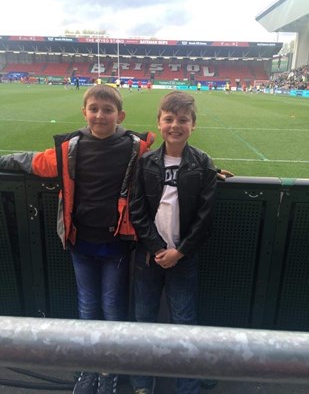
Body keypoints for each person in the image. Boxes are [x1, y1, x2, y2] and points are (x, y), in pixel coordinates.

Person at [0, 84, 154, 394]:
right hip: (80, 242)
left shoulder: (136, 149)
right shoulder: (70, 148)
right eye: (94, 109)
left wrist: (207, 170)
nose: (100, 115)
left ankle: (108, 372)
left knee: (111, 308)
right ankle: (88, 370)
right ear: (84, 112)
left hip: (116, 245)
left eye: (107, 110)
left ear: (120, 115)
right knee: (87, 307)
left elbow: (164, 169)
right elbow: (33, 161)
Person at [129, 91, 218, 394]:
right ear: (159, 122)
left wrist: (179, 252)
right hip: (149, 257)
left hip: (183, 257)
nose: (175, 125)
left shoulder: (203, 163)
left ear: (193, 125)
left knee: (184, 322)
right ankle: (142, 383)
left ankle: (187, 386)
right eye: (169, 119)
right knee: (144, 319)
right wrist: (157, 248)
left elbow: (204, 219)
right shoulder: (145, 162)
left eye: (183, 120)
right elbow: (137, 210)